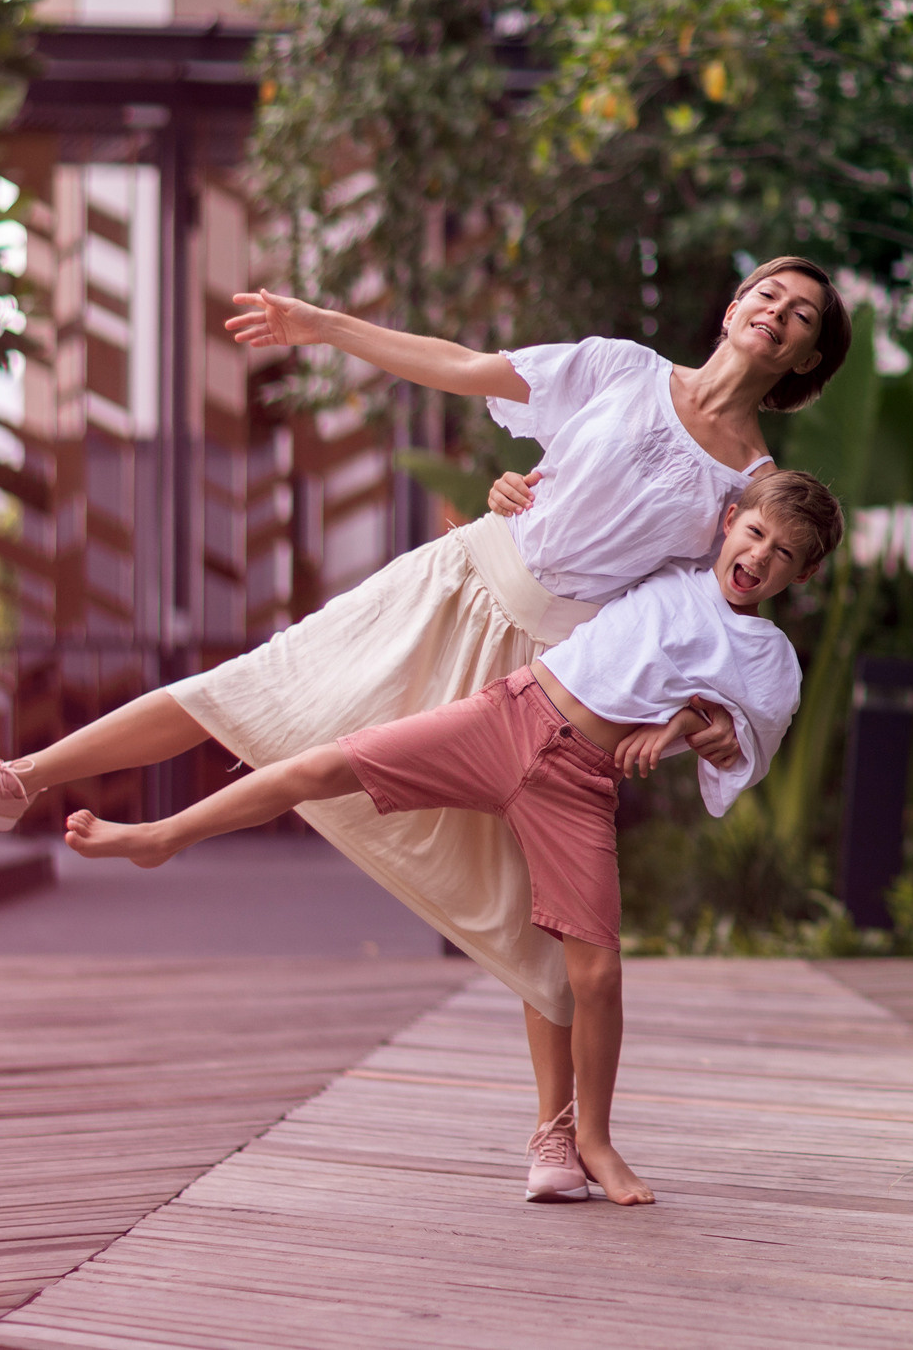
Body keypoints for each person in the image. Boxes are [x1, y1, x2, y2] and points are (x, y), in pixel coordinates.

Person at [0, 256, 851, 1032]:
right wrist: (325, 327)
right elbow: (461, 365)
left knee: (532, 902)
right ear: (733, 305)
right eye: (768, 292)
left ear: (805, 361)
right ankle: (16, 778)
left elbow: (703, 620)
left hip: (544, 673)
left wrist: (698, 720)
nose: (778, 311)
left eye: (801, 314)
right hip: (454, 582)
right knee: (252, 684)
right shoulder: (618, 368)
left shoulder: (751, 488)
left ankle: (557, 1134)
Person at [63, 471, 844, 1206]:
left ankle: (596, 1140)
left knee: (596, 973)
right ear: (726, 524)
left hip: (578, 783)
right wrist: (510, 493)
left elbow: (746, 733)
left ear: (799, 576)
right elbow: (573, 534)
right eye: (753, 532)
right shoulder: (660, 573)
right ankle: (162, 834)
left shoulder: (769, 657)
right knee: (315, 767)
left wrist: (691, 723)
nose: (758, 556)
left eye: (782, 555)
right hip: (507, 715)